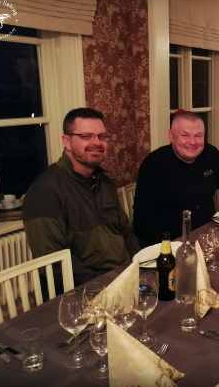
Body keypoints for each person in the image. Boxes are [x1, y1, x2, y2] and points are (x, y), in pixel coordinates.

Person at [23, 108, 140, 287]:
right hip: (86, 290)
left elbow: (125, 230)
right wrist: (107, 284)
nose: (97, 142)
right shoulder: (45, 192)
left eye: (102, 136)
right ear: (67, 141)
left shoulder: (104, 181)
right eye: (86, 136)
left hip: (124, 275)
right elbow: (54, 263)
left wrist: (139, 264)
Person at [132, 111, 219, 246]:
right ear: (171, 136)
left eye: (198, 136)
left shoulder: (210, 154)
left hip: (206, 234)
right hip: (169, 241)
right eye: (185, 135)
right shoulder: (154, 163)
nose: (192, 142)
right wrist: (168, 245)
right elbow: (144, 215)